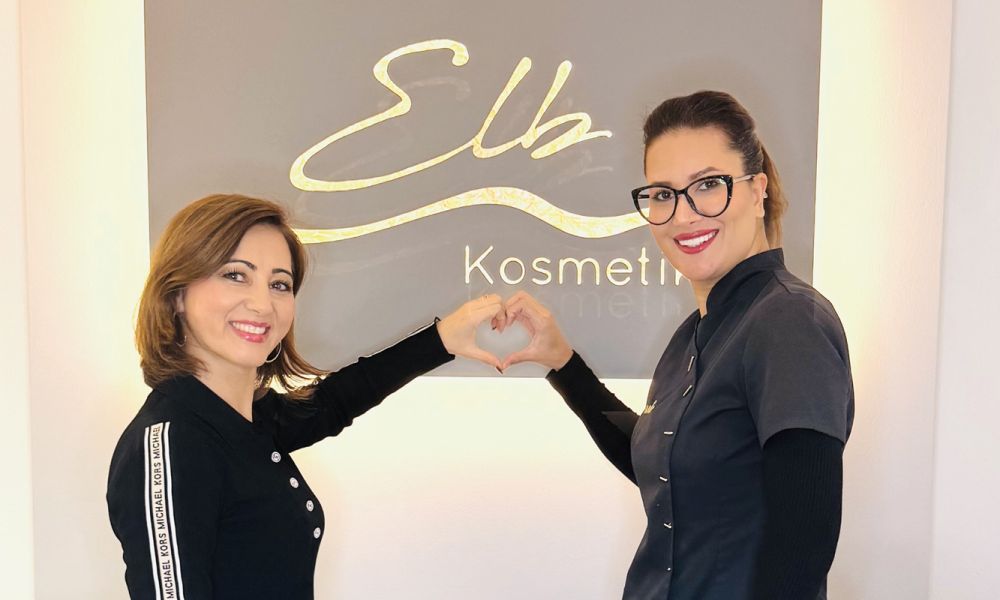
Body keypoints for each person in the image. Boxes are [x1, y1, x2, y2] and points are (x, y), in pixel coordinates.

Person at [494, 91, 854, 599]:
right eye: (663, 194)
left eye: (708, 185)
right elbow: (662, 466)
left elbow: (805, 541)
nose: (683, 216)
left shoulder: (789, 320)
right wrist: (563, 363)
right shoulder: (696, 332)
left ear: (757, 191)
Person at [107, 194, 503, 599]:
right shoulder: (173, 444)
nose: (262, 304)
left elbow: (332, 404)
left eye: (279, 284)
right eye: (235, 275)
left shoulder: (246, 421)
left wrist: (440, 341)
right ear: (176, 295)